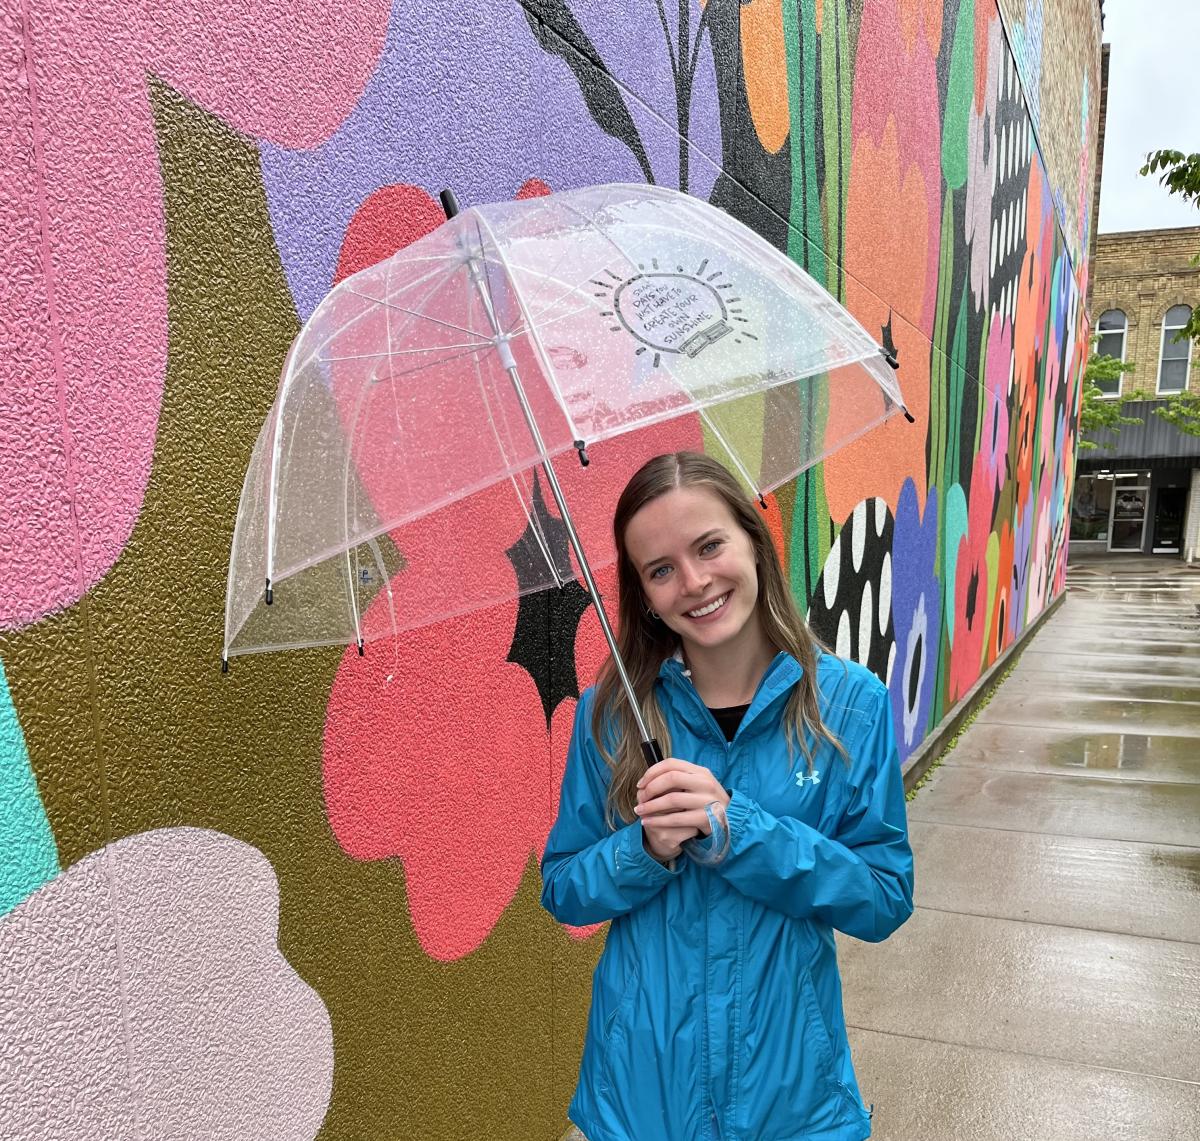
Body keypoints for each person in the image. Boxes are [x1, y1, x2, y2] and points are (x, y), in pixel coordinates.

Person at [541, 451, 914, 1141]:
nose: (694, 581)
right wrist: (644, 848)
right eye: (660, 568)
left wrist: (741, 830)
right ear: (644, 592)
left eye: (709, 545)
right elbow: (564, 886)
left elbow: (884, 896)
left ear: (753, 539)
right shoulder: (611, 714)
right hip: (640, 1094)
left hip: (793, 1095)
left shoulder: (848, 705)